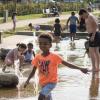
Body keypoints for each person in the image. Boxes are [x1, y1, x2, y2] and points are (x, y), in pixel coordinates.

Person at [24, 33, 88, 100]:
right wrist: (28, 80)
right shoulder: (38, 57)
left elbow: (68, 64)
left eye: (45, 44)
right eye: (40, 43)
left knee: (41, 96)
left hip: (51, 82)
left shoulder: (54, 57)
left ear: (50, 45)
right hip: (42, 82)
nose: (42, 45)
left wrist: (80, 68)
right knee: (47, 98)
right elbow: (34, 70)